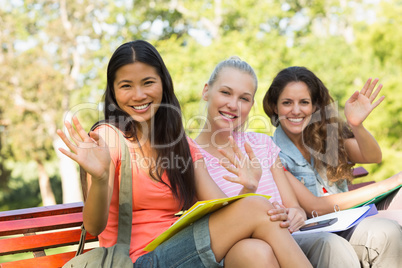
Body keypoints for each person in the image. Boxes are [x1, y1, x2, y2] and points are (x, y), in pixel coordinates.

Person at [56, 40, 312, 268]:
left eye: (148, 83)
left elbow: (223, 211)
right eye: (126, 86)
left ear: (163, 85)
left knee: (255, 252)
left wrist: (248, 187)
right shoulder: (109, 137)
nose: (139, 95)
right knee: (258, 207)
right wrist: (100, 179)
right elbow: (93, 227)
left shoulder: (179, 144)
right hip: (135, 260)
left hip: (179, 252)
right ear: (113, 91)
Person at [193, 56, 360, 267]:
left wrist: (293, 215)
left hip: (289, 239)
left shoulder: (262, 144)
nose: (233, 105)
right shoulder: (191, 154)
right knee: (257, 252)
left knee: (331, 244)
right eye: (225, 92)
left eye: (244, 98)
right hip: (240, 249)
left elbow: (296, 208)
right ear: (206, 91)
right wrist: (248, 187)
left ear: (251, 104)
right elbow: (219, 227)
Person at [263, 66, 402, 267]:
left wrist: (356, 125)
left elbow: (373, 156)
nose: (296, 110)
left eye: (304, 102)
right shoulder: (271, 151)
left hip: (352, 222)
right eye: (287, 103)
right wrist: (390, 182)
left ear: (314, 107)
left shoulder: (325, 138)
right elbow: (315, 207)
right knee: (384, 231)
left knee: (390, 224)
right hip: (319, 234)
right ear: (275, 107)